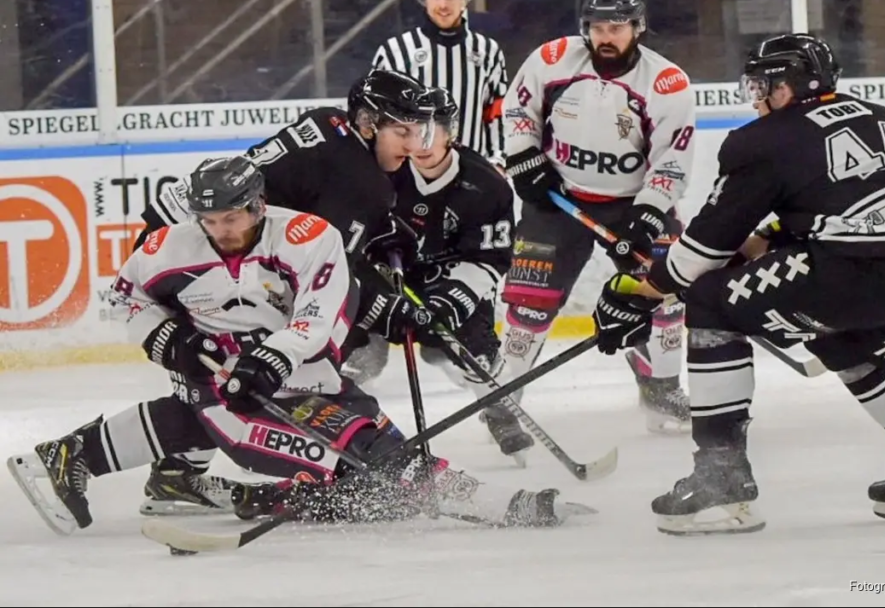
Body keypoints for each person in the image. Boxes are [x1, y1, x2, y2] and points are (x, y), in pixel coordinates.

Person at [7, 157, 591, 536]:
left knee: (375, 482)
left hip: (314, 383)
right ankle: (507, 506)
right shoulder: (170, 247)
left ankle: (76, 454)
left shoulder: (308, 239)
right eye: (210, 220)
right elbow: (124, 298)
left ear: (259, 204)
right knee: (380, 467)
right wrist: (165, 337)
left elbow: (317, 318)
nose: (222, 230)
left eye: (233, 216)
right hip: (228, 393)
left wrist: (271, 358)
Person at [590, 32, 885, 536]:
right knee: (849, 344)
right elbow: (828, 218)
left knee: (712, 301)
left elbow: (703, 255)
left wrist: (641, 291)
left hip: (862, 272)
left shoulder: (763, 139)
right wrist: (742, 250)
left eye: (762, 84)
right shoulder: (874, 115)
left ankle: (721, 481)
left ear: (790, 86)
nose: (756, 97)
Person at [127, 69, 441, 517]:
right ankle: (323, 459)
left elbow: (301, 214)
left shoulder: (329, 121)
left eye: (419, 130)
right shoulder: (362, 182)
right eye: (402, 131)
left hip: (183, 244)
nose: (415, 146)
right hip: (210, 256)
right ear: (369, 124)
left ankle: (176, 473)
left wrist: (378, 233)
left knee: (218, 370)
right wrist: (385, 306)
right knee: (277, 362)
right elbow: (329, 279)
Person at [498, 0, 697, 435]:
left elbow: (671, 161)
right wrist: (524, 157)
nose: (606, 37)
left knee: (665, 288)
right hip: (556, 198)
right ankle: (504, 396)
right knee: (531, 303)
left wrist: (648, 213)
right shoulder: (552, 59)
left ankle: (662, 385)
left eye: (617, 27)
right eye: (598, 27)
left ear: (638, 28)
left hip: (632, 202)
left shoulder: (666, 83)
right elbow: (518, 109)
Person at [339, 87, 531, 463]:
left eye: (430, 131)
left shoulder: (486, 185)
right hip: (388, 278)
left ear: (451, 132)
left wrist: (452, 298)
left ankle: (498, 409)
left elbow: (490, 258)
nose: (419, 142)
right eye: (409, 131)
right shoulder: (382, 173)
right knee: (362, 357)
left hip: (453, 277)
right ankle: (332, 420)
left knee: (474, 352)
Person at [371, 0, 508, 165]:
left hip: (471, 172)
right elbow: (377, 115)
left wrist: (498, 161)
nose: (443, 5)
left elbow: (497, 114)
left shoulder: (488, 51)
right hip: (409, 174)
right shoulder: (394, 52)